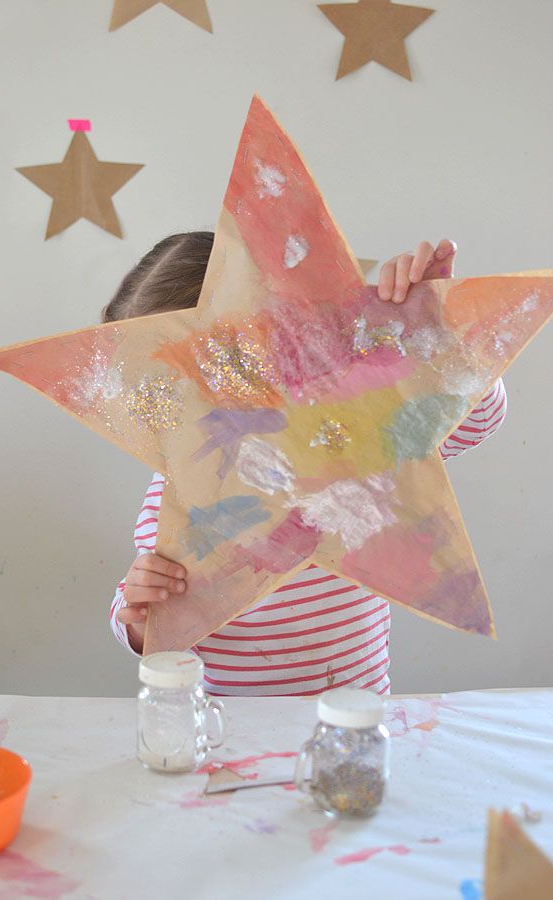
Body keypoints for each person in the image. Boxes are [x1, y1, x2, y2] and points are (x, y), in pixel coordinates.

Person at [104, 233, 507, 697]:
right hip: (230, 730)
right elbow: (145, 612)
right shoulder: (178, 487)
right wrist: (136, 617)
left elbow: (479, 419)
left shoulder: (354, 437)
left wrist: (433, 341)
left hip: (353, 717)